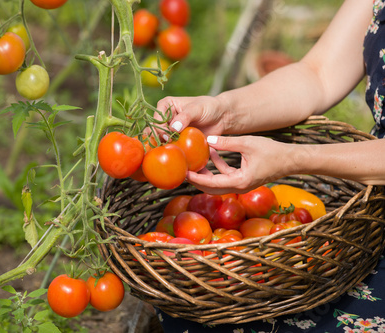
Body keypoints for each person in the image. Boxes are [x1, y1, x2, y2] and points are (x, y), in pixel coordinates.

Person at [153, 0, 385, 331]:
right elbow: (317, 75)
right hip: (372, 219)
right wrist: (224, 110)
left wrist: (292, 158)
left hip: (371, 231)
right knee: (202, 302)